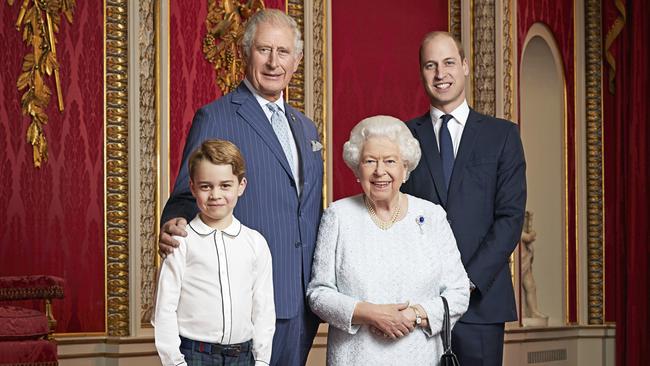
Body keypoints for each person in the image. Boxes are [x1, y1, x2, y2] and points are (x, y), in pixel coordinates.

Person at [158, 9, 323, 366]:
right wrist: (172, 223)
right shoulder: (216, 117)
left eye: (283, 52)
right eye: (264, 50)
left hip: (302, 302)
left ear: (296, 60)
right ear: (246, 53)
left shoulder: (307, 129)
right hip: (246, 302)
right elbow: (187, 196)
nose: (273, 62)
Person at [401, 31, 527, 366]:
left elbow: (510, 219)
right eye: (431, 65)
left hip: (481, 303)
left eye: (448, 63)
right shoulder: (403, 137)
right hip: (419, 304)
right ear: (421, 72)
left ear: (466, 66)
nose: (440, 74)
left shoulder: (502, 136)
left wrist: (465, 284)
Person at [307, 115, 470, 365]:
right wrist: (371, 314)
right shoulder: (338, 216)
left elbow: (459, 292)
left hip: (419, 356)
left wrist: (415, 315)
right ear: (356, 168)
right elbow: (318, 293)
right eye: (370, 161)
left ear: (405, 168)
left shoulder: (432, 215)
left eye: (390, 161)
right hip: (355, 357)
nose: (379, 171)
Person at [153, 139, 275, 366]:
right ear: (192, 188)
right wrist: (175, 362)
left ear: (241, 185)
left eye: (225, 185)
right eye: (206, 186)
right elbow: (165, 309)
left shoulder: (255, 243)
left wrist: (262, 361)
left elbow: (263, 309)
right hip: (194, 355)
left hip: (244, 356)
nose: (215, 195)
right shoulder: (182, 241)